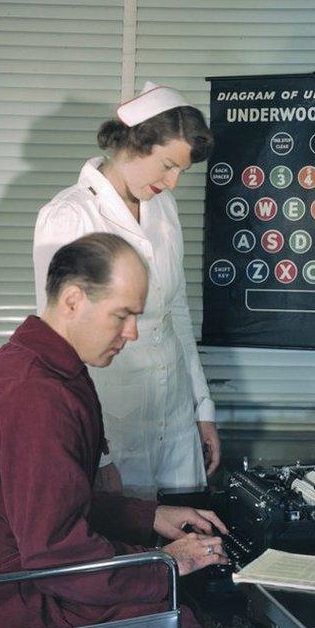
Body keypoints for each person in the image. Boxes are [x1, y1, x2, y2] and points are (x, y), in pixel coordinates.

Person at [0, 233, 229, 628]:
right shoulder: (37, 394)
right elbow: (54, 550)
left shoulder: (31, 363)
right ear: (73, 301)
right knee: (186, 623)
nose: (132, 333)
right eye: (121, 315)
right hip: (18, 604)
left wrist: (151, 516)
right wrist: (164, 563)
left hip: (13, 584)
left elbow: (56, 503)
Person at [33, 82, 219, 498]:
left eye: (181, 172)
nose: (173, 183)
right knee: (128, 546)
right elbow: (57, 343)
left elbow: (178, 312)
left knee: (184, 540)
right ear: (136, 143)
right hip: (111, 425)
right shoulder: (69, 215)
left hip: (172, 417)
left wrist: (201, 410)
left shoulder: (162, 208)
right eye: (168, 165)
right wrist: (98, 455)